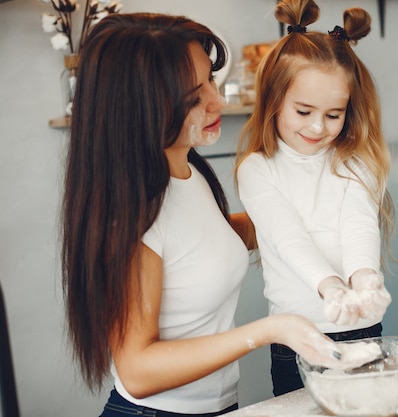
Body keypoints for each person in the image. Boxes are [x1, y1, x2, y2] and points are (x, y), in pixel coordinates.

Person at [60, 12, 345, 417]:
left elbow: (203, 246)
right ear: (136, 109)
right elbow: (138, 370)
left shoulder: (184, 171)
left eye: (211, 79)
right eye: (194, 97)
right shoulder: (129, 220)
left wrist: (313, 213)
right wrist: (270, 330)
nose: (218, 101)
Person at [235, 0, 395, 396]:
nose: (318, 127)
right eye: (304, 111)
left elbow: (357, 224)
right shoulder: (258, 169)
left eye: (334, 114)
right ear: (274, 100)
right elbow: (286, 236)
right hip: (298, 339)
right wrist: (331, 288)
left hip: (362, 332)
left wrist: (366, 281)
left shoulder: (354, 162)